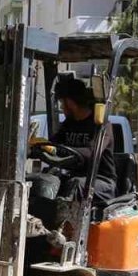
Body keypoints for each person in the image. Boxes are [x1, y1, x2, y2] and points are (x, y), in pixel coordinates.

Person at [51, 76, 118, 205]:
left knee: (76, 185)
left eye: (62, 103)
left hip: (102, 182)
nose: (62, 107)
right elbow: (53, 143)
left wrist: (63, 151)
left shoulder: (101, 126)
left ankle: (63, 223)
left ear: (70, 102)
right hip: (75, 177)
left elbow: (90, 152)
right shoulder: (69, 123)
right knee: (47, 181)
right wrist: (37, 147)